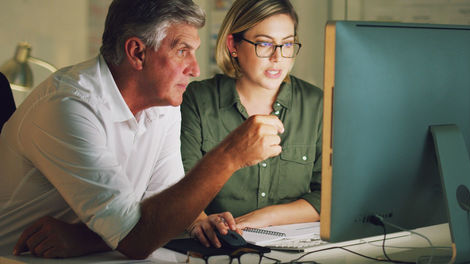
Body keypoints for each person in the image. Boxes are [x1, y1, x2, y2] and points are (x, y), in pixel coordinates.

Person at [0, 0, 284, 259]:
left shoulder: (164, 104)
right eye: (182, 51)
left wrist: (85, 239)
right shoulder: (69, 107)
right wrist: (230, 155)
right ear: (137, 52)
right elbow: (137, 238)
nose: (195, 69)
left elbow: (165, 213)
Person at [181, 0, 323, 248]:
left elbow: (328, 195)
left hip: (296, 248)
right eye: (265, 44)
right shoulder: (198, 100)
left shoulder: (315, 103)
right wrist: (199, 220)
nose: (278, 57)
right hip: (216, 248)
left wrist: (262, 218)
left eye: (287, 44)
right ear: (233, 45)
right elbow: (177, 186)